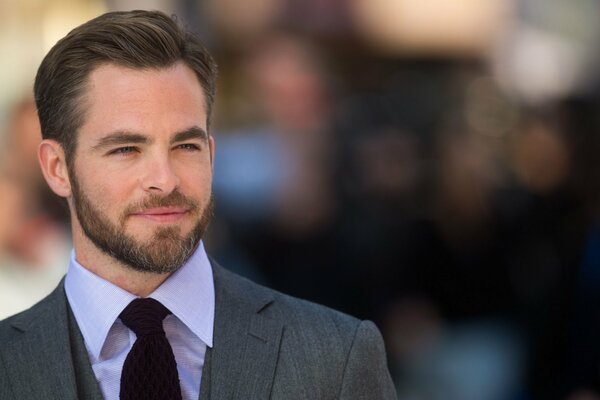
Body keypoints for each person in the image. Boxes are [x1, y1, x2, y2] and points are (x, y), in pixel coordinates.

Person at [0, 10, 396, 400]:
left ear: (210, 152)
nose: (165, 179)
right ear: (57, 168)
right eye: (126, 149)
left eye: (185, 146)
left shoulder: (335, 356)